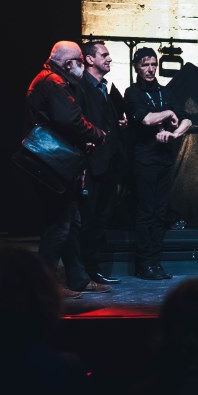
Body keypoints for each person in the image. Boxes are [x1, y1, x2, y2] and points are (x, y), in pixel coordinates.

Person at [25, 40, 108, 295]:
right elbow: (70, 119)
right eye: (80, 62)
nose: (82, 67)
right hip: (53, 163)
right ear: (68, 63)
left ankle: (78, 279)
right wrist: (97, 133)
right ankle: (46, 286)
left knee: (71, 223)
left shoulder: (49, 79)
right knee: (59, 226)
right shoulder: (54, 82)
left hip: (56, 163)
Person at [123, 47, 192, 280]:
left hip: (164, 159)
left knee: (161, 213)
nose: (150, 69)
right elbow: (146, 118)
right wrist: (168, 113)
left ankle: (155, 261)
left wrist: (175, 134)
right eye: (145, 65)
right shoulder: (132, 92)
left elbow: (187, 119)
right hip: (144, 159)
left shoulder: (165, 91)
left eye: (153, 64)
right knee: (146, 213)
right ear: (137, 67)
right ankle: (144, 264)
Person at [78, 39, 128, 286]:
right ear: (89, 59)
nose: (109, 58)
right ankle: (84, 273)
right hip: (90, 166)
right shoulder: (81, 87)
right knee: (86, 221)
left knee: (100, 220)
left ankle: (92, 270)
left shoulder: (103, 87)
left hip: (108, 165)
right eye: (104, 55)